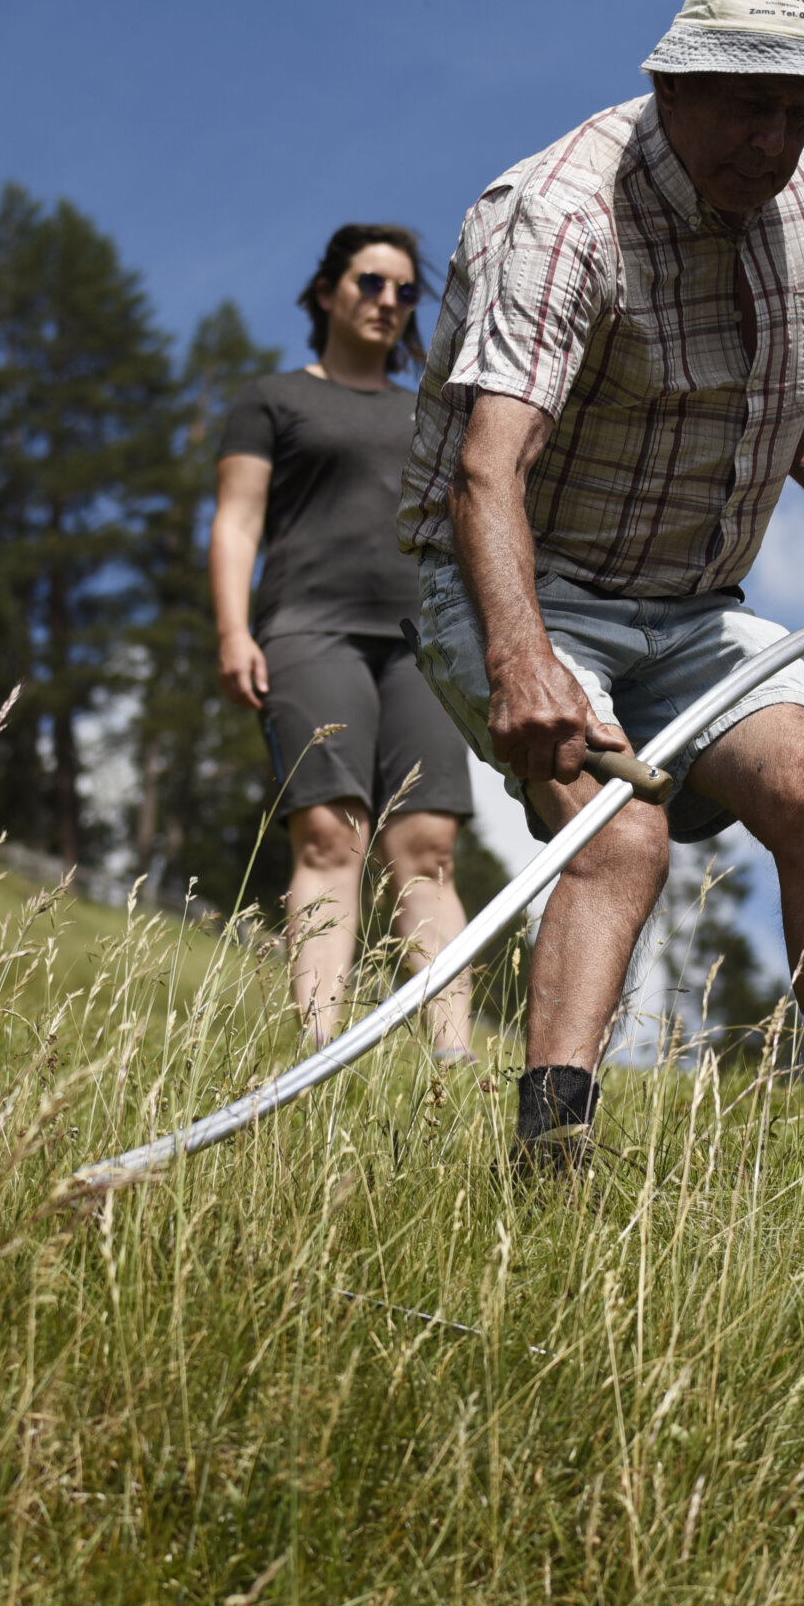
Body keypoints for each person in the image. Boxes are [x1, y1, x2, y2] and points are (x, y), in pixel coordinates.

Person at [401, 0, 804, 1188]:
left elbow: (796, 386)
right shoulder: (557, 219)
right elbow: (487, 469)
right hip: (518, 587)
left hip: (695, 608)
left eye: (799, 109)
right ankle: (549, 1158)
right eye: (748, 105)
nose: (773, 140)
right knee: (619, 841)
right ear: (674, 80)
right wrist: (522, 658)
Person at [210, 223, 477, 1059]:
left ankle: (452, 1055)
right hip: (308, 630)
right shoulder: (274, 399)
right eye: (370, 283)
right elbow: (237, 521)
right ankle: (321, 1045)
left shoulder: (429, 410)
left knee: (428, 848)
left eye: (405, 291)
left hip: (420, 643)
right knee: (331, 835)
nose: (389, 303)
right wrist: (231, 628)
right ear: (326, 292)